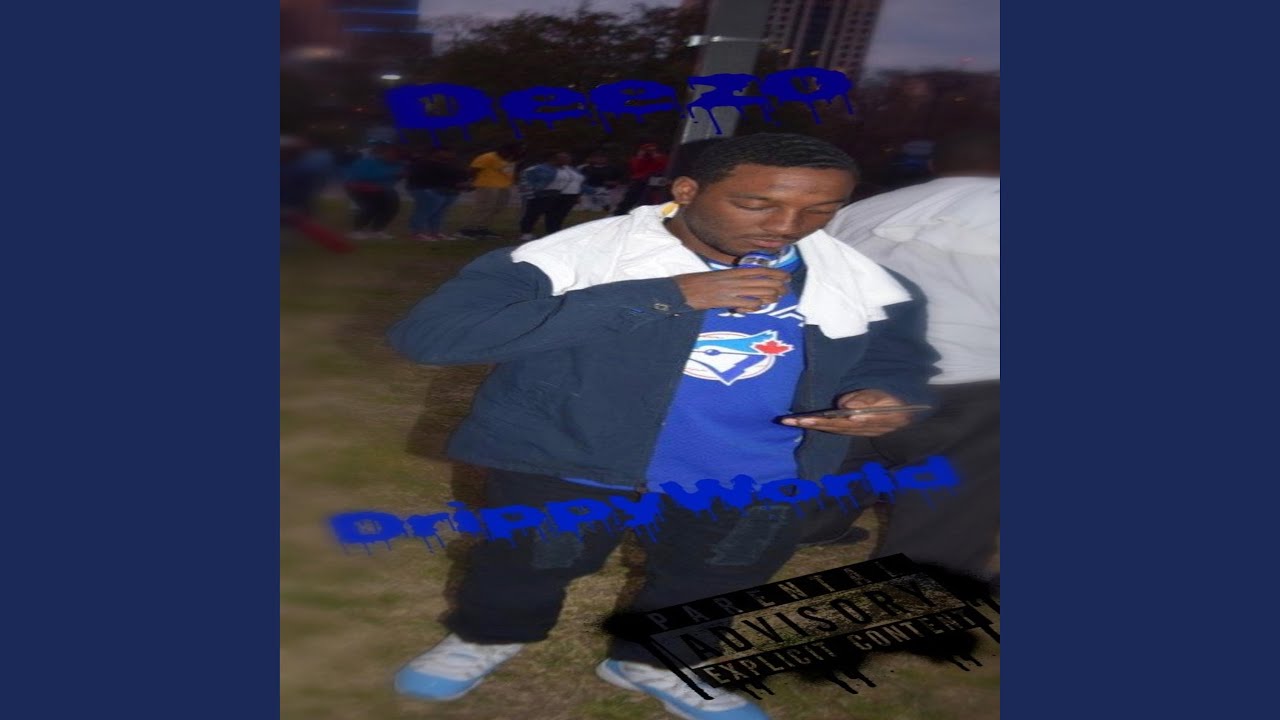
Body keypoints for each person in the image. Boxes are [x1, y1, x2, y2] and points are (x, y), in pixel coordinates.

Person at [386, 133, 939, 720]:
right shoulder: (573, 256)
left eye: (820, 210)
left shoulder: (860, 280)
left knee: (720, 572)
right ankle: (488, 635)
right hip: (570, 451)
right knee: (531, 557)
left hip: (757, 464)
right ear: (687, 190)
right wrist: (669, 295)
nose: (787, 226)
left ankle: (658, 661)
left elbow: (899, 361)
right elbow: (431, 337)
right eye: (756, 204)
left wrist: (890, 397)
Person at [812, 131, 1000, 585]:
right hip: (974, 376)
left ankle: (809, 527)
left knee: (848, 448)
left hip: (858, 362)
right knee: (956, 486)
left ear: (934, 165)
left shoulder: (864, 210)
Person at [460, 142, 524, 239]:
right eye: (519, 149)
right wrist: (469, 182)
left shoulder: (511, 159)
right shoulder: (488, 157)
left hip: (504, 186)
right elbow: (473, 170)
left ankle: (481, 228)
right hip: (487, 185)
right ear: (507, 149)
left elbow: (511, 172)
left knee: (498, 208)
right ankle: (467, 229)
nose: (521, 151)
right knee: (484, 207)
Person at [406, 147, 472, 242]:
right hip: (424, 188)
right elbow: (430, 178)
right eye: (445, 152)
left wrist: (462, 183)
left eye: (450, 152)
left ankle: (435, 233)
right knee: (425, 210)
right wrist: (455, 183)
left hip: (445, 190)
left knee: (440, 212)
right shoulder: (424, 163)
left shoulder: (448, 164)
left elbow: (458, 174)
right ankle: (417, 233)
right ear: (436, 153)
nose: (449, 154)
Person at [517, 151, 585, 240]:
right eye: (564, 157)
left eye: (568, 157)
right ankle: (526, 232)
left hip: (568, 195)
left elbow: (579, 180)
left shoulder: (571, 169)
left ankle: (553, 232)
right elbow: (526, 179)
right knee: (534, 213)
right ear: (554, 158)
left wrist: (579, 193)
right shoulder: (539, 168)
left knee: (557, 215)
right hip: (545, 194)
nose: (568, 159)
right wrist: (533, 191)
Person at [343, 142, 404, 240]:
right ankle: (356, 231)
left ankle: (377, 230)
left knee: (391, 206)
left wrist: (398, 175)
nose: (392, 156)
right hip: (358, 188)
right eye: (389, 153)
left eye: (396, 154)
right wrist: (392, 173)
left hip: (381, 190)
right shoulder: (367, 162)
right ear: (383, 153)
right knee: (369, 208)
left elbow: (393, 179)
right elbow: (363, 176)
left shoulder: (398, 165)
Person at [612, 142, 670, 216]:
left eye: (652, 150)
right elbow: (636, 168)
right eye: (647, 150)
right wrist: (641, 156)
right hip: (640, 181)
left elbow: (665, 165)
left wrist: (655, 155)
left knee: (650, 200)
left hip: (655, 181)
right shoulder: (638, 158)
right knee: (630, 198)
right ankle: (620, 213)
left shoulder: (660, 158)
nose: (649, 152)